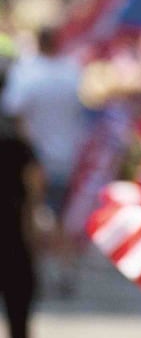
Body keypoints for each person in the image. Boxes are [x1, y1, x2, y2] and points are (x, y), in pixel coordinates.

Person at [2, 26, 90, 296]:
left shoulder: (27, 73)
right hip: (69, 155)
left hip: (34, 157)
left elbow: (12, 110)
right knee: (61, 216)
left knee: (32, 215)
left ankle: (36, 271)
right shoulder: (72, 71)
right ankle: (63, 268)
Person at [0, 62, 47, 338]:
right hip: (12, 232)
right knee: (19, 305)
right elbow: (34, 187)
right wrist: (33, 231)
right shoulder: (14, 136)